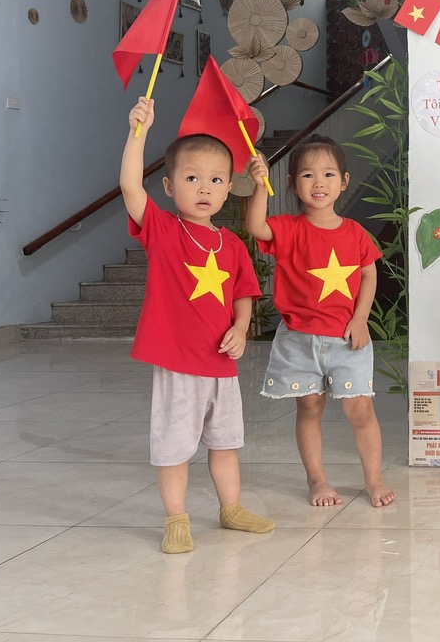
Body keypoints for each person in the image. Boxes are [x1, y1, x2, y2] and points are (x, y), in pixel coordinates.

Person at [121, 96, 274, 554]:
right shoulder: (164, 231)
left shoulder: (232, 244)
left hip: (221, 365)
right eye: (192, 178)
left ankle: (232, 509)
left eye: (215, 180)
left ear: (228, 189)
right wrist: (138, 132)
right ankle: (176, 519)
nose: (204, 188)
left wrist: (241, 327)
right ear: (169, 186)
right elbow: (130, 186)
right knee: (174, 446)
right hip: (177, 363)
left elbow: (243, 293)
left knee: (225, 443)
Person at [247, 135, 396, 508]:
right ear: (293, 184)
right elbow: (256, 227)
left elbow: (369, 274)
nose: (318, 183)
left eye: (328, 174)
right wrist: (259, 185)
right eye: (308, 175)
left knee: (360, 409)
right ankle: (317, 480)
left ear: (344, 182)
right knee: (309, 407)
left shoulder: (355, 232)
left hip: (348, 339)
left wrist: (360, 318)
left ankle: (375, 479)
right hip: (299, 339)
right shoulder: (288, 228)